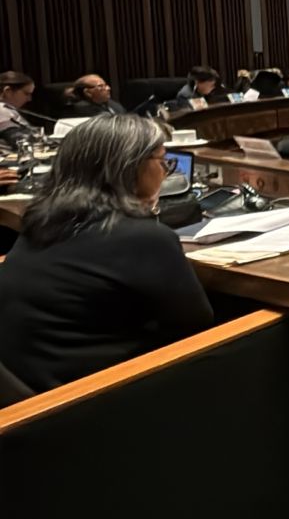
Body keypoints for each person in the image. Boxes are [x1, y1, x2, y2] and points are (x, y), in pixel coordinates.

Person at [0, 114, 213, 392]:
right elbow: (197, 325)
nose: (166, 172)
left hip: (33, 392)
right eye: (163, 162)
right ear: (130, 167)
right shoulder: (144, 238)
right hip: (94, 402)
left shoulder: (40, 220)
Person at [0, 71, 39, 147]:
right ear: (8, 91)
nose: (29, 99)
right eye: (26, 94)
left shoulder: (8, 110)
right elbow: (19, 139)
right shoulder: (2, 111)